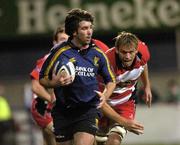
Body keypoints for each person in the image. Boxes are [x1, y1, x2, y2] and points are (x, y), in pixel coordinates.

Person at [39, 8, 116, 145]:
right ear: (74, 32)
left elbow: (111, 80)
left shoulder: (98, 53)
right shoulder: (59, 52)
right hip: (63, 112)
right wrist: (56, 82)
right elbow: (43, 79)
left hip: (88, 110)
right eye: (85, 28)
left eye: (90, 27)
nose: (89, 32)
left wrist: (105, 96)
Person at [100, 31, 152, 145]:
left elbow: (144, 65)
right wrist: (125, 122)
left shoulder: (143, 53)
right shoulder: (106, 62)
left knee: (114, 141)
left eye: (131, 52)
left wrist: (147, 86)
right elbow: (100, 101)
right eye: (124, 52)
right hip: (105, 104)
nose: (128, 57)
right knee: (96, 139)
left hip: (125, 103)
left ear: (136, 50)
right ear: (117, 50)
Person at [30, 26, 69, 145]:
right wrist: (52, 99)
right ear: (55, 42)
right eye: (62, 40)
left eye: (67, 40)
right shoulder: (48, 59)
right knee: (64, 139)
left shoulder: (73, 60)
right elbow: (35, 86)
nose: (65, 43)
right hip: (44, 108)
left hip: (61, 111)